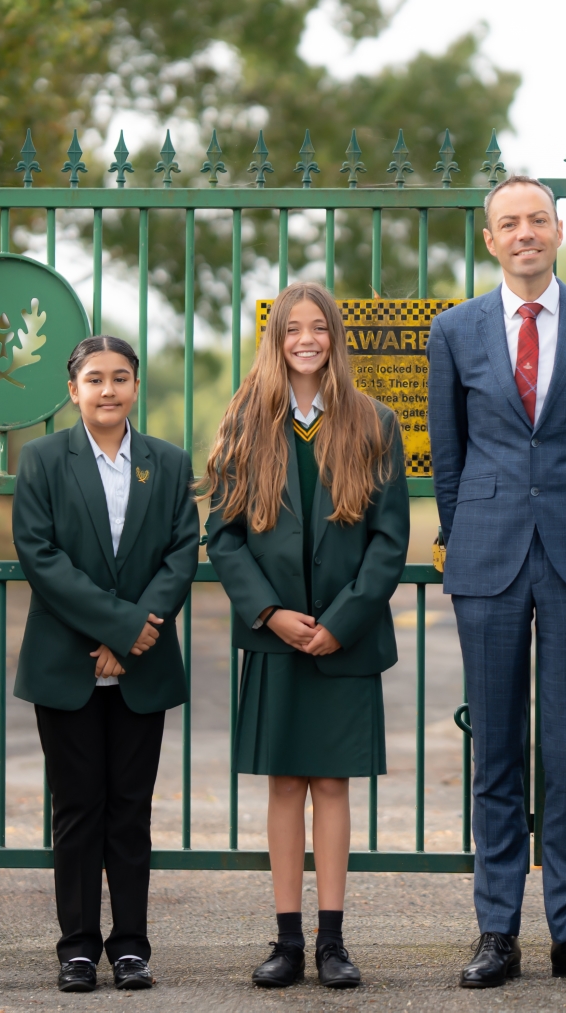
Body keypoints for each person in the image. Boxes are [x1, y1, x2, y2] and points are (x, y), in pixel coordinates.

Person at [428, 175, 566, 988]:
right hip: (487, 554)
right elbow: (449, 460)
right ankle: (496, 931)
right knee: (495, 752)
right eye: (508, 223)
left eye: (537, 220)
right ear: (489, 239)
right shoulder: (454, 330)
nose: (524, 233)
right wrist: (466, 532)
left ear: (559, 231)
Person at [205, 281, 409, 990]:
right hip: (275, 636)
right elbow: (223, 537)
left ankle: (332, 940)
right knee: (285, 781)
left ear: (335, 337)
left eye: (317, 326)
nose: (305, 339)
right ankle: (287, 939)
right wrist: (269, 612)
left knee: (332, 782)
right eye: (292, 328)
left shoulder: (374, 422)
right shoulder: (245, 419)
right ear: (276, 339)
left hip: (345, 639)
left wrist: (344, 620)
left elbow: (389, 541)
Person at [12, 335, 199, 994]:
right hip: (66, 663)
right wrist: (117, 626)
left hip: (141, 666)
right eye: (95, 378)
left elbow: (182, 551)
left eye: (121, 377)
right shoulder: (41, 460)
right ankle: (77, 946)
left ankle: (130, 946)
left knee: (129, 809)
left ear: (136, 387)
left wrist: (133, 638)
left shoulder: (168, 463)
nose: (109, 389)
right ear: (74, 389)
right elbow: (40, 556)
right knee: (77, 808)